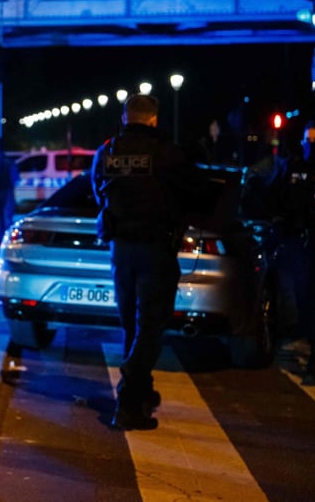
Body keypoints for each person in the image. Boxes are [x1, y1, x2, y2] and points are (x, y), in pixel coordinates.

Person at [91, 93, 199, 431]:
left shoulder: (107, 151)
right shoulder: (168, 153)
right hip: (156, 248)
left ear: (125, 118)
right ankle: (128, 396)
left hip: (121, 250)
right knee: (151, 326)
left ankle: (140, 394)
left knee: (132, 325)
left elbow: (98, 190)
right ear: (153, 119)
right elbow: (191, 192)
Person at [265, 120, 315, 385]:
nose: (310, 146)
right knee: (305, 303)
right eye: (307, 141)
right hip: (300, 245)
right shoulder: (293, 167)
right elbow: (275, 198)